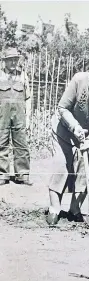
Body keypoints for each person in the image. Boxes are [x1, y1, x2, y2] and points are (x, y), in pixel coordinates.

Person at [46, 64, 89, 226]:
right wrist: (75, 127)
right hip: (65, 130)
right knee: (62, 167)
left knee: (87, 170)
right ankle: (54, 209)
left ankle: (75, 210)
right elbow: (63, 108)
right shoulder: (79, 80)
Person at [0, 47, 32, 186]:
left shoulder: (23, 76)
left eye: (15, 59)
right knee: (1, 143)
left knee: (21, 144)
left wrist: (28, 117)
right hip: (2, 115)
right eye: (10, 59)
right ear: (4, 61)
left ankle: (23, 175)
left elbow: (28, 98)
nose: (13, 62)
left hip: (19, 115)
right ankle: (2, 174)